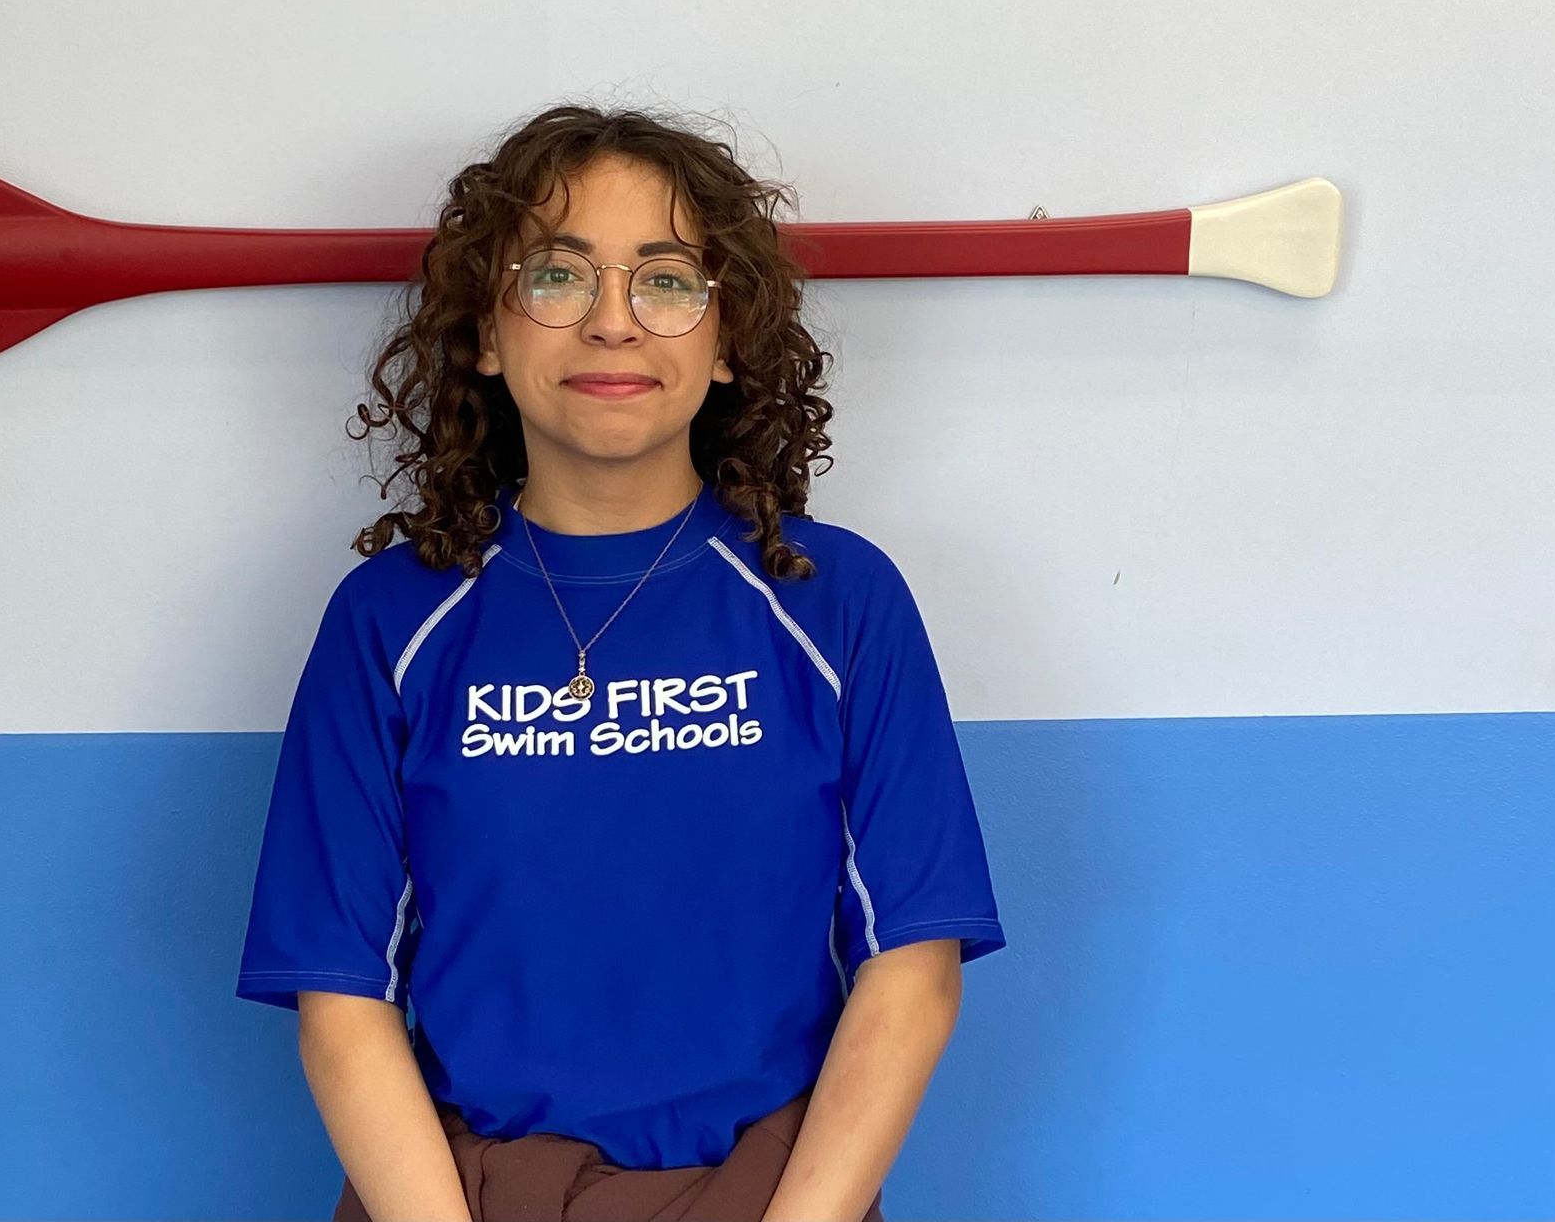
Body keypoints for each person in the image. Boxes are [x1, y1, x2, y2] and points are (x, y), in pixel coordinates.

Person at [236, 103, 1007, 1222]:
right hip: (462, 1195)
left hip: (775, 1195)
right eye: (556, 277)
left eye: (666, 280)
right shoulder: (391, 619)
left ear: (727, 335)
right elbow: (340, 995)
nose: (613, 324)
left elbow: (913, 969)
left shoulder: (836, 604)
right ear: (487, 336)